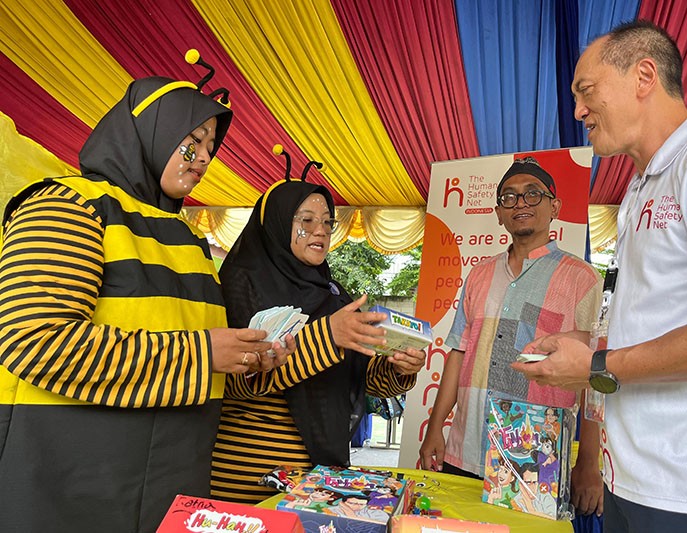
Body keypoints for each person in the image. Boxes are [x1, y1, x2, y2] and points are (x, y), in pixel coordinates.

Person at [514, 20, 687, 531]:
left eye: (586, 91)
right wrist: (587, 341)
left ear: (644, 75)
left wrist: (599, 362)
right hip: (635, 483)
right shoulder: (640, 192)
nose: (577, 110)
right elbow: (663, 319)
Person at [0, 63, 294, 532]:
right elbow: (32, 340)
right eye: (190, 141)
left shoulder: (192, 244)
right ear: (148, 131)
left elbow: (197, 368)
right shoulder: (68, 205)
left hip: (170, 489)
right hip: (66, 485)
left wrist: (246, 361)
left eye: (209, 148)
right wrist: (204, 354)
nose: (202, 158)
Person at [210, 156, 425, 504]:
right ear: (278, 225)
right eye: (306, 221)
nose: (321, 231)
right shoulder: (239, 284)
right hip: (247, 476)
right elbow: (236, 379)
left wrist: (398, 367)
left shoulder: (334, 296)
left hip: (319, 479)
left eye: (327, 222)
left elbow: (364, 379)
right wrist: (328, 336)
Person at [418, 156, 605, 516]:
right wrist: (434, 430)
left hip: (533, 462)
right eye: (510, 197)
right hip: (465, 449)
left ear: (555, 207)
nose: (520, 204)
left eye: (533, 194)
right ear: (499, 213)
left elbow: (595, 378)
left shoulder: (582, 280)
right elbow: (457, 352)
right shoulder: (479, 275)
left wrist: (588, 462)